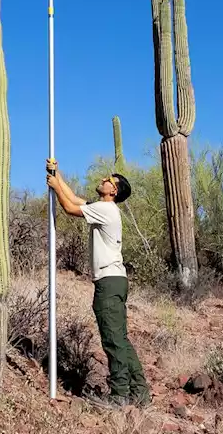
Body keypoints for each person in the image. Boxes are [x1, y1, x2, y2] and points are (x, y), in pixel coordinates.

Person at [46, 158, 151, 407]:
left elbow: (70, 209)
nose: (104, 180)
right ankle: (140, 392)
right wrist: (57, 175)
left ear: (113, 191)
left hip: (109, 281)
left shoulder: (107, 210)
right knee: (120, 339)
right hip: (115, 281)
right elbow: (74, 200)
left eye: (109, 180)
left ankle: (119, 395)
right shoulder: (102, 209)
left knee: (113, 340)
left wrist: (54, 185)